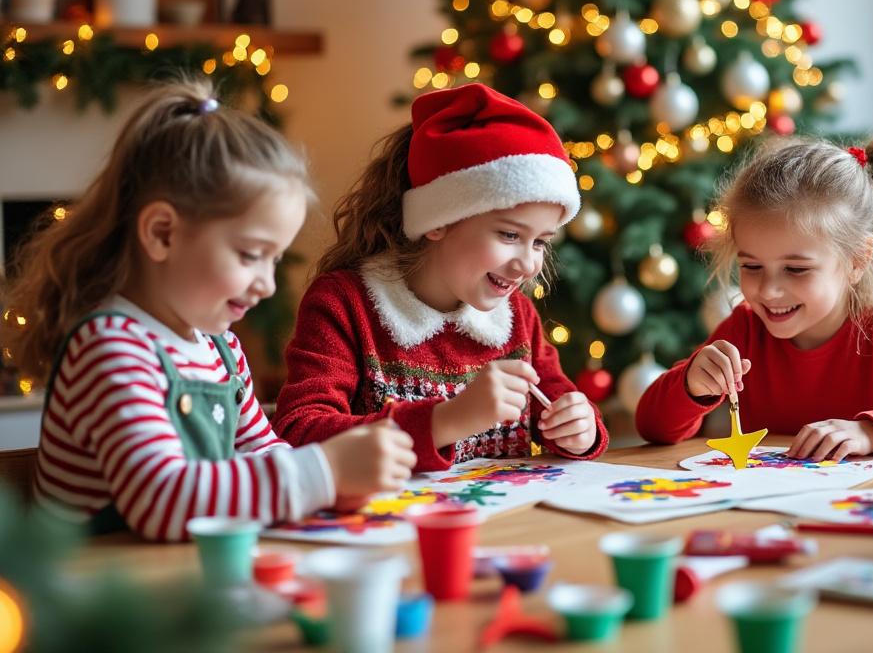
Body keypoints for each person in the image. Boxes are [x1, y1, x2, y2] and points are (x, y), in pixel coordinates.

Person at [7, 82, 414, 542]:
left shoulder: (221, 352)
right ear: (162, 234)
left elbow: (264, 455)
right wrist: (324, 470)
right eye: (249, 254)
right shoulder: (109, 348)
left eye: (274, 259)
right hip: (99, 599)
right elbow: (161, 500)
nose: (267, 284)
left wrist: (334, 487)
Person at [273, 83, 608, 470]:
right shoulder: (345, 305)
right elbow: (299, 432)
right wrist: (444, 422)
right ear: (438, 221)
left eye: (540, 243)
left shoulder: (517, 317)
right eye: (510, 235)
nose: (528, 264)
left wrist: (580, 430)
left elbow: (557, 408)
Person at [637, 136, 873, 460]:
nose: (768, 291)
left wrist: (870, 431)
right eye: (751, 266)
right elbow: (652, 426)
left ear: (857, 260)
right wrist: (691, 386)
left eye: (796, 269)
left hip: (865, 512)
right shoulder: (745, 328)